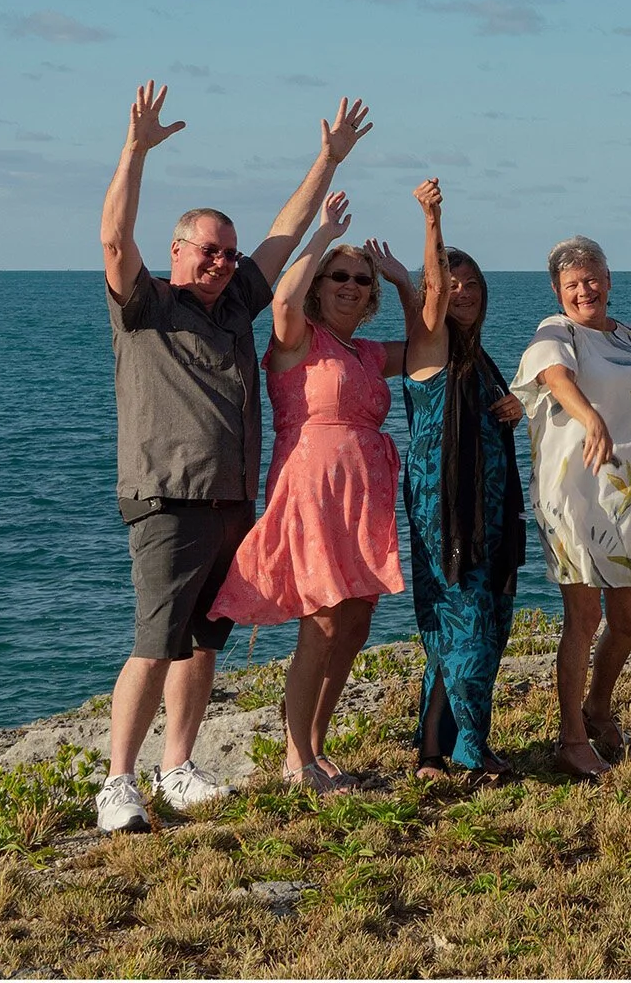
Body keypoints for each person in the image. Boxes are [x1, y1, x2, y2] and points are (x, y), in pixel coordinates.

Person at [96, 83, 369, 832]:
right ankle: (119, 782)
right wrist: (134, 151)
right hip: (166, 495)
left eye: (227, 251)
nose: (220, 261)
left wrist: (326, 158)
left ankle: (177, 766)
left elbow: (284, 234)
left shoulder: (233, 304)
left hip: (229, 499)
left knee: (203, 640)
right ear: (178, 252)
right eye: (205, 250)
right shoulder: (147, 303)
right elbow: (116, 241)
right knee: (156, 638)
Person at [211, 193, 409, 792]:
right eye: (338, 277)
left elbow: (435, 344)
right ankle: (297, 759)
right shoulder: (298, 338)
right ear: (321, 285)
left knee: (354, 625)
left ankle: (317, 746)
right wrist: (321, 235)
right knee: (322, 621)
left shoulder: (369, 353)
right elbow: (282, 298)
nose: (350, 285)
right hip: (312, 488)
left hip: (364, 494)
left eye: (360, 279)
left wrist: (401, 277)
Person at [516, 237, 631, 778]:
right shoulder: (555, 332)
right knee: (583, 616)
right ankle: (570, 738)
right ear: (557, 292)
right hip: (569, 494)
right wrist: (590, 418)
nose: (584, 289)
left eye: (592, 278)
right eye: (573, 284)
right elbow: (556, 379)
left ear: (609, 281)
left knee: (630, 618)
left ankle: (597, 707)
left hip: (623, 495)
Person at [394, 179, 525, 781]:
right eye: (451, 284)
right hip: (448, 510)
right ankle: (470, 752)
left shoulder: (480, 358)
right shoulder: (431, 342)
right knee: (466, 618)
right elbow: (430, 292)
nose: (462, 292)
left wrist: (515, 407)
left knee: (474, 622)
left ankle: (433, 753)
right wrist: (432, 223)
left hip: (490, 514)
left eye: (473, 284)